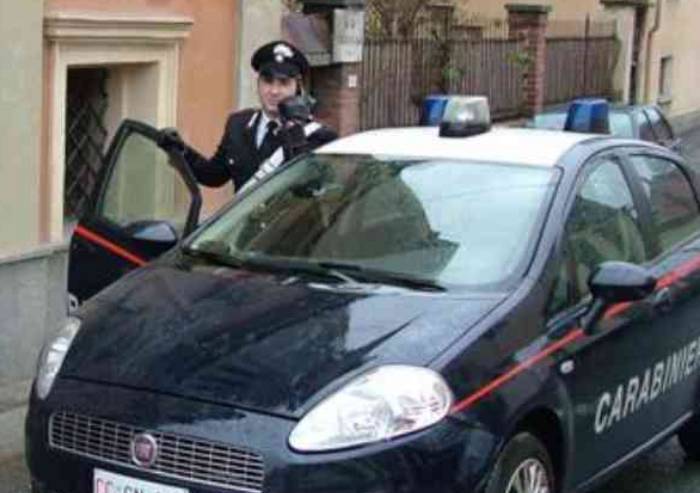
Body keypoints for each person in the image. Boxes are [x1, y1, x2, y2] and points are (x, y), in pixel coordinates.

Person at [158, 40, 337, 192]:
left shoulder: (318, 136)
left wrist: (295, 131)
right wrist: (181, 151)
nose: (274, 91)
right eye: (267, 81)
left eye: (283, 83)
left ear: (298, 88)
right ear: (258, 83)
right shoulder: (238, 124)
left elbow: (310, 189)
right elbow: (214, 176)